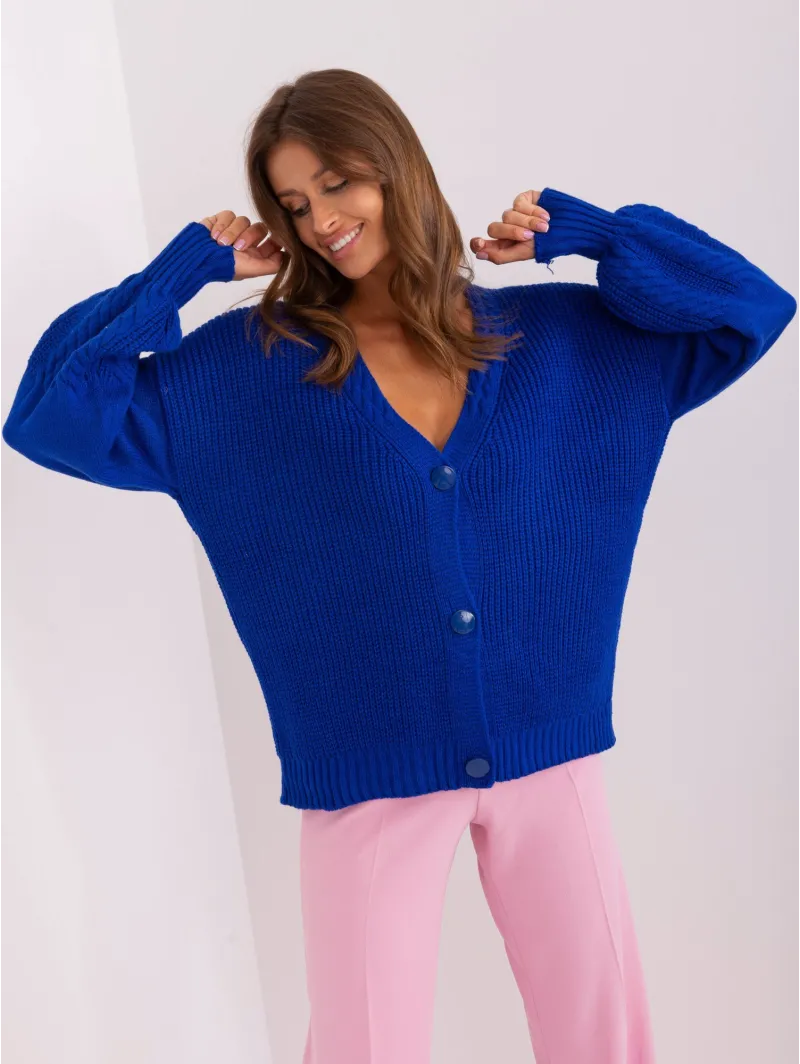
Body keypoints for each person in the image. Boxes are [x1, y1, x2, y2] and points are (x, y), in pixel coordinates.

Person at [2, 67, 796, 1064]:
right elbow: (50, 414)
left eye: (337, 182)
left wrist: (596, 237)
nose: (321, 220)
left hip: (552, 754)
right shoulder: (247, 368)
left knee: (605, 1038)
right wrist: (178, 275)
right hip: (367, 773)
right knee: (362, 1047)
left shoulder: (564, 342)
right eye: (294, 203)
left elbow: (747, 307)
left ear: (394, 166)